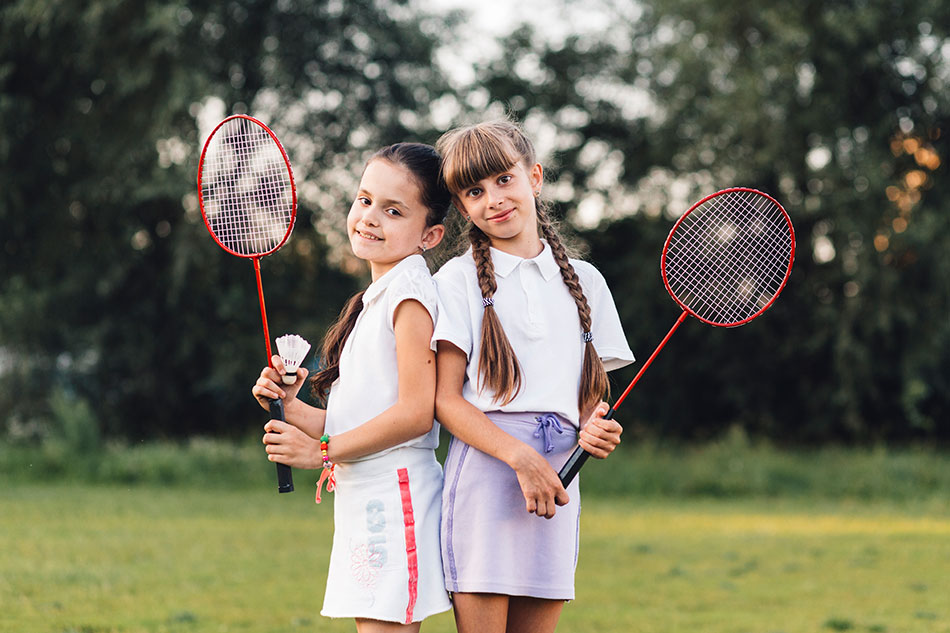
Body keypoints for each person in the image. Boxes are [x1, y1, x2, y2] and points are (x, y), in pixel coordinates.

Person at [431, 119, 635, 633]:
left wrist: (596, 425)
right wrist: (519, 457)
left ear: (535, 177)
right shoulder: (455, 281)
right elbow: (446, 401)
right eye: (475, 191)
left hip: (561, 474)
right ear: (461, 207)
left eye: (504, 179)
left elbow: (590, 395)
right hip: (489, 473)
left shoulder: (586, 281)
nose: (494, 199)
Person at [251, 143, 453, 632]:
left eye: (393, 210)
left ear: (430, 234)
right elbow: (357, 421)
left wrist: (321, 451)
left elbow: (415, 415)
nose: (369, 218)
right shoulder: (375, 298)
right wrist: (291, 407)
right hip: (365, 495)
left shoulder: (408, 297)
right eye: (364, 200)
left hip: (395, 495)